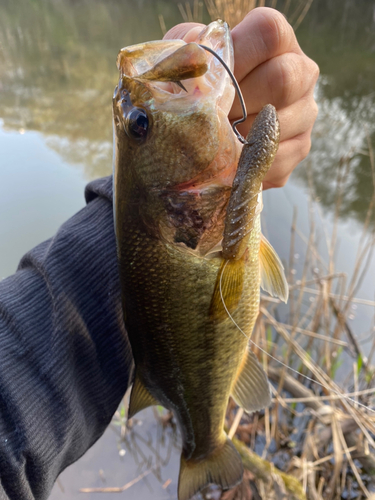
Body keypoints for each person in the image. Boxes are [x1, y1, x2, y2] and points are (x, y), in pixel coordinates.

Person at [0, 8, 318, 500]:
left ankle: (203, 444)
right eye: (141, 126)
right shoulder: (180, 224)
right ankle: (204, 450)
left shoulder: (181, 223)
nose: (140, 111)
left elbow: (166, 234)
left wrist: (221, 176)